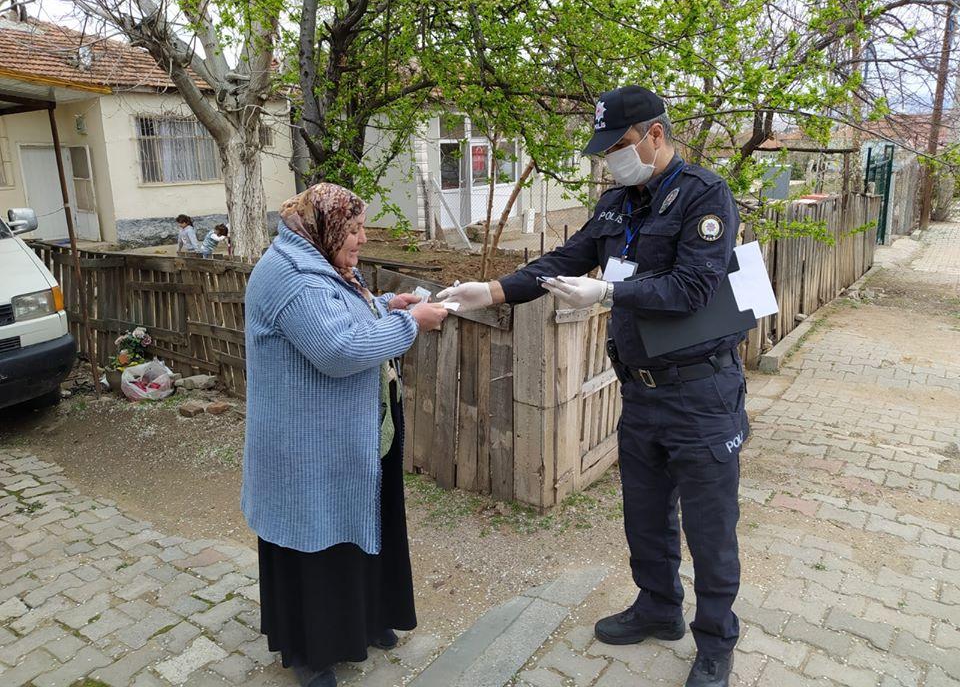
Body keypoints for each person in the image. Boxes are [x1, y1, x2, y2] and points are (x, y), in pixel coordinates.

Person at [438, 85, 748, 687]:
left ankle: (716, 642)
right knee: (646, 513)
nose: (613, 159)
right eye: (606, 151)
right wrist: (495, 290)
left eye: (622, 146)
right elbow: (566, 258)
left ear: (655, 136)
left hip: (700, 395)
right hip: (642, 392)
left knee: (711, 526)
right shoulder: (616, 203)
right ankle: (659, 608)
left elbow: (694, 289)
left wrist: (610, 292)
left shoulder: (703, 195)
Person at [242, 182, 449, 687]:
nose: (361, 239)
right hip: (304, 448)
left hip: (347, 439)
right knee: (316, 543)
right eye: (353, 229)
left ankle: (364, 622)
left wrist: (383, 305)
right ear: (325, 227)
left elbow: (340, 312)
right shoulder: (291, 278)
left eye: (361, 228)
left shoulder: (317, 263)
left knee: (357, 529)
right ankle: (312, 654)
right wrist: (412, 324)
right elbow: (336, 350)